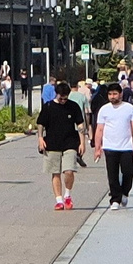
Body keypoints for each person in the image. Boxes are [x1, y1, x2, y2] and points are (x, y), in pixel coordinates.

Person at [92, 83, 133, 209]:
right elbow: (99, 129)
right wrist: (97, 148)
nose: (112, 97)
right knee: (112, 174)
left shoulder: (129, 108)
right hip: (109, 146)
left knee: (128, 171)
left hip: (126, 146)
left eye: (115, 94)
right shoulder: (104, 110)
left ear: (121, 94)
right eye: (110, 94)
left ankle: (125, 192)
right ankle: (115, 199)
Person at [36, 81, 85, 209]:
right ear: (56, 94)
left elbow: (80, 125)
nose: (63, 100)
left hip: (70, 142)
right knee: (55, 172)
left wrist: (82, 142)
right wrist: (40, 138)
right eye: (60, 98)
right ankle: (59, 200)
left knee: (69, 171)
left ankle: (67, 195)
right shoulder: (48, 106)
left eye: (65, 98)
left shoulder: (73, 106)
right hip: (52, 143)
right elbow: (40, 123)